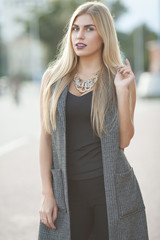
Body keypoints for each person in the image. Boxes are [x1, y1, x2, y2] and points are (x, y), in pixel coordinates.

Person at [38, 1, 149, 240]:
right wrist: (47, 194)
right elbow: (46, 137)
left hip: (111, 191)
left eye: (90, 29)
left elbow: (124, 140)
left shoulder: (120, 78)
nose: (80, 35)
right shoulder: (53, 79)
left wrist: (121, 91)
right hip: (67, 192)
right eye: (75, 28)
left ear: (104, 34)